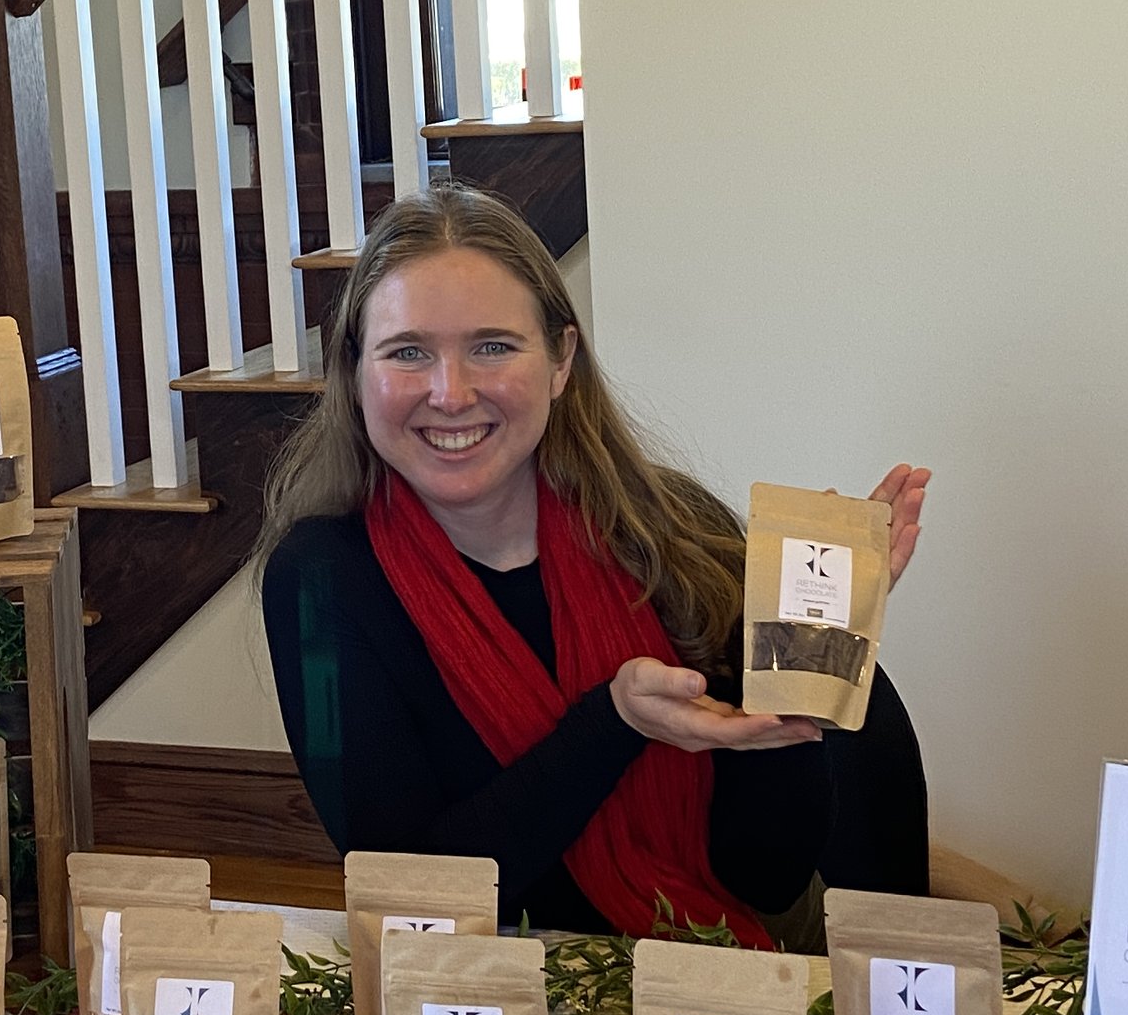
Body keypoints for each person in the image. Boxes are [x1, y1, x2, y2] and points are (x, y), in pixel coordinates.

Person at [258, 187, 932, 940]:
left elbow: (766, 874)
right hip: (499, 1001)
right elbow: (408, 894)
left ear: (560, 361)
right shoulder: (317, 582)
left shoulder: (674, 530)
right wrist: (612, 722)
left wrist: (813, 656)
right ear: (355, 372)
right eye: (408, 351)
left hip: (736, 965)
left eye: (492, 345)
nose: (450, 392)